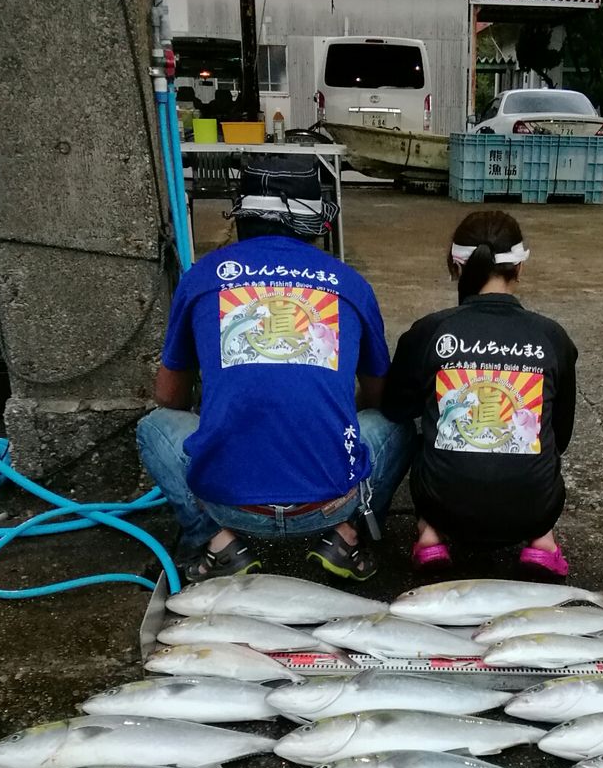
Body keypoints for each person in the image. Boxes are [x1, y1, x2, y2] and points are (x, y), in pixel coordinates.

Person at [137, 158, 413, 583]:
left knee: (153, 426)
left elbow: (168, 398)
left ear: (241, 216)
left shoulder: (202, 278)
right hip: (330, 502)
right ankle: (346, 534)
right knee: (397, 425)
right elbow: (380, 398)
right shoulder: (350, 283)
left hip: (227, 503)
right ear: (314, 225)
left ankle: (217, 541)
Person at [381, 209, 577, 576]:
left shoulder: (429, 332)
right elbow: (560, 436)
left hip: (443, 506)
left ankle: (430, 535)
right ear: (520, 268)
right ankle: (541, 543)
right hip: (534, 509)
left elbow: (395, 409)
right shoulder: (552, 336)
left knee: (415, 430)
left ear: (455, 268)